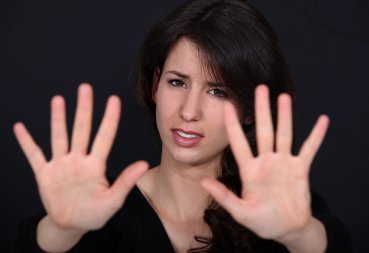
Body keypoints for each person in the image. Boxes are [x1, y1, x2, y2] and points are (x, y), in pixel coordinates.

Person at [13, 0, 351, 252]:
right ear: (154, 85)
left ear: (249, 110)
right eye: (177, 83)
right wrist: (60, 231)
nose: (190, 112)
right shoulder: (95, 207)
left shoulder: (279, 206)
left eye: (218, 91)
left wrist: (299, 235)